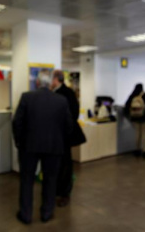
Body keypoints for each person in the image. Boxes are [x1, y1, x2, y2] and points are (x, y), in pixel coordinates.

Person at [13, 72, 73, 224]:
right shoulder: (61, 100)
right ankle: (46, 213)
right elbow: (68, 125)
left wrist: (19, 142)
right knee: (50, 180)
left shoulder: (27, 97)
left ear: (38, 83)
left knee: (27, 180)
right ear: (50, 84)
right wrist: (60, 141)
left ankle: (26, 215)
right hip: (54, 147)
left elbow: (17, 122)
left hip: (29, 146)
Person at [51, 70, 86, 208]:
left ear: (56, 79)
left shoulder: (67, 93)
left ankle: (65, 193)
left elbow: (73, 114)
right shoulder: (58, 92)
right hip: (57, 135)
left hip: (64, 136)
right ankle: (58, 190)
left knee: (65, 164)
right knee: (58, 164)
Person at [124, 83, 145, 158]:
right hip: (144, 118)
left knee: (137, 134)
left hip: (135, 118)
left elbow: (127, 106)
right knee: (144, 134)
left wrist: (129, 115)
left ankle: (137, 150)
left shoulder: (132, 96)